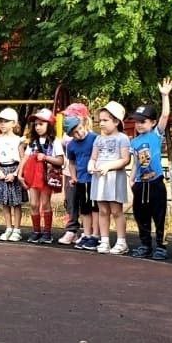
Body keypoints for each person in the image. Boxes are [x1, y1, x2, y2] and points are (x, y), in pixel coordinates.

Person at [126, 80, 172, 259]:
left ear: (152, 122)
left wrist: (165, 95)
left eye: (143, 121)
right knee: (140, 215)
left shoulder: (156, 135)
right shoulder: (135, 141)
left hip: (155, 183)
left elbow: (165, 115)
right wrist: (132, 178)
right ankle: (145, 244)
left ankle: (161, 246)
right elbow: (137, 161)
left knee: (159, 215)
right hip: (140, 183)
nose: (139, 125)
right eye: (136, 122)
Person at [88, 101, 131, 255]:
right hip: (100, 178)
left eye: (105, 120)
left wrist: (109, 166)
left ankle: (121, 241)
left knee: (116, 210)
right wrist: (91, 164)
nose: (102, 124)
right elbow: (94, 157)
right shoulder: (98, 139)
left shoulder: (122, 138)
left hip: (114, 178)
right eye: (100, 120)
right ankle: (104, 240)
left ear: (116, 121)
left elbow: (125, 159)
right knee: (103, 210)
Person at [17, 108, 64, 244]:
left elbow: (60, 161)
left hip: (46, 176)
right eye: (36, 124)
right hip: (33, 176)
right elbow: (25, 158)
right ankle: (36, 230)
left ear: (49, 125)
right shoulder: (32, 142)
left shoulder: (55, 142)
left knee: (45, 203)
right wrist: (20, 174)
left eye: (41, 124)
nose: (37, 127)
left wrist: (46, 158)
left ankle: (47, 232)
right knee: (33, 204)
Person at [64, 114, 100, 251]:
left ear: (83, 125)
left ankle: (96, 235)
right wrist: (73, 177)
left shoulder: (94, 138)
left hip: (94, 178)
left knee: (95, 208)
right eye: (74, 133)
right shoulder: (71, 145)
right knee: (84, 209)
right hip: (81, 180)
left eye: (79, 129)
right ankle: (87, 233)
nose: (79, 133)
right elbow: (72, 162)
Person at [57, 102, 91, 244]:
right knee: (71, 201)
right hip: (70, 172)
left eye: (71, 115)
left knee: (87, 202)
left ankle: (89, 232)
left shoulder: (90, 136)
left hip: (87, 174)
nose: (67, 118)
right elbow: (69, 158)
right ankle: (71, 230)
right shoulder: (67, 137)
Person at [0, 108, 27, 241]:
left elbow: (23, 158)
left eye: (6, 121)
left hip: (14, 171)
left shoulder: (19, 140)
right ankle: (8, 228)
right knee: (4, 203)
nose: (3, 124)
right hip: (1, 171)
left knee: (16, 203)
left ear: (14, 123)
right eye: (1, 121)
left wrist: (16, 174)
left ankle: (17, 229)